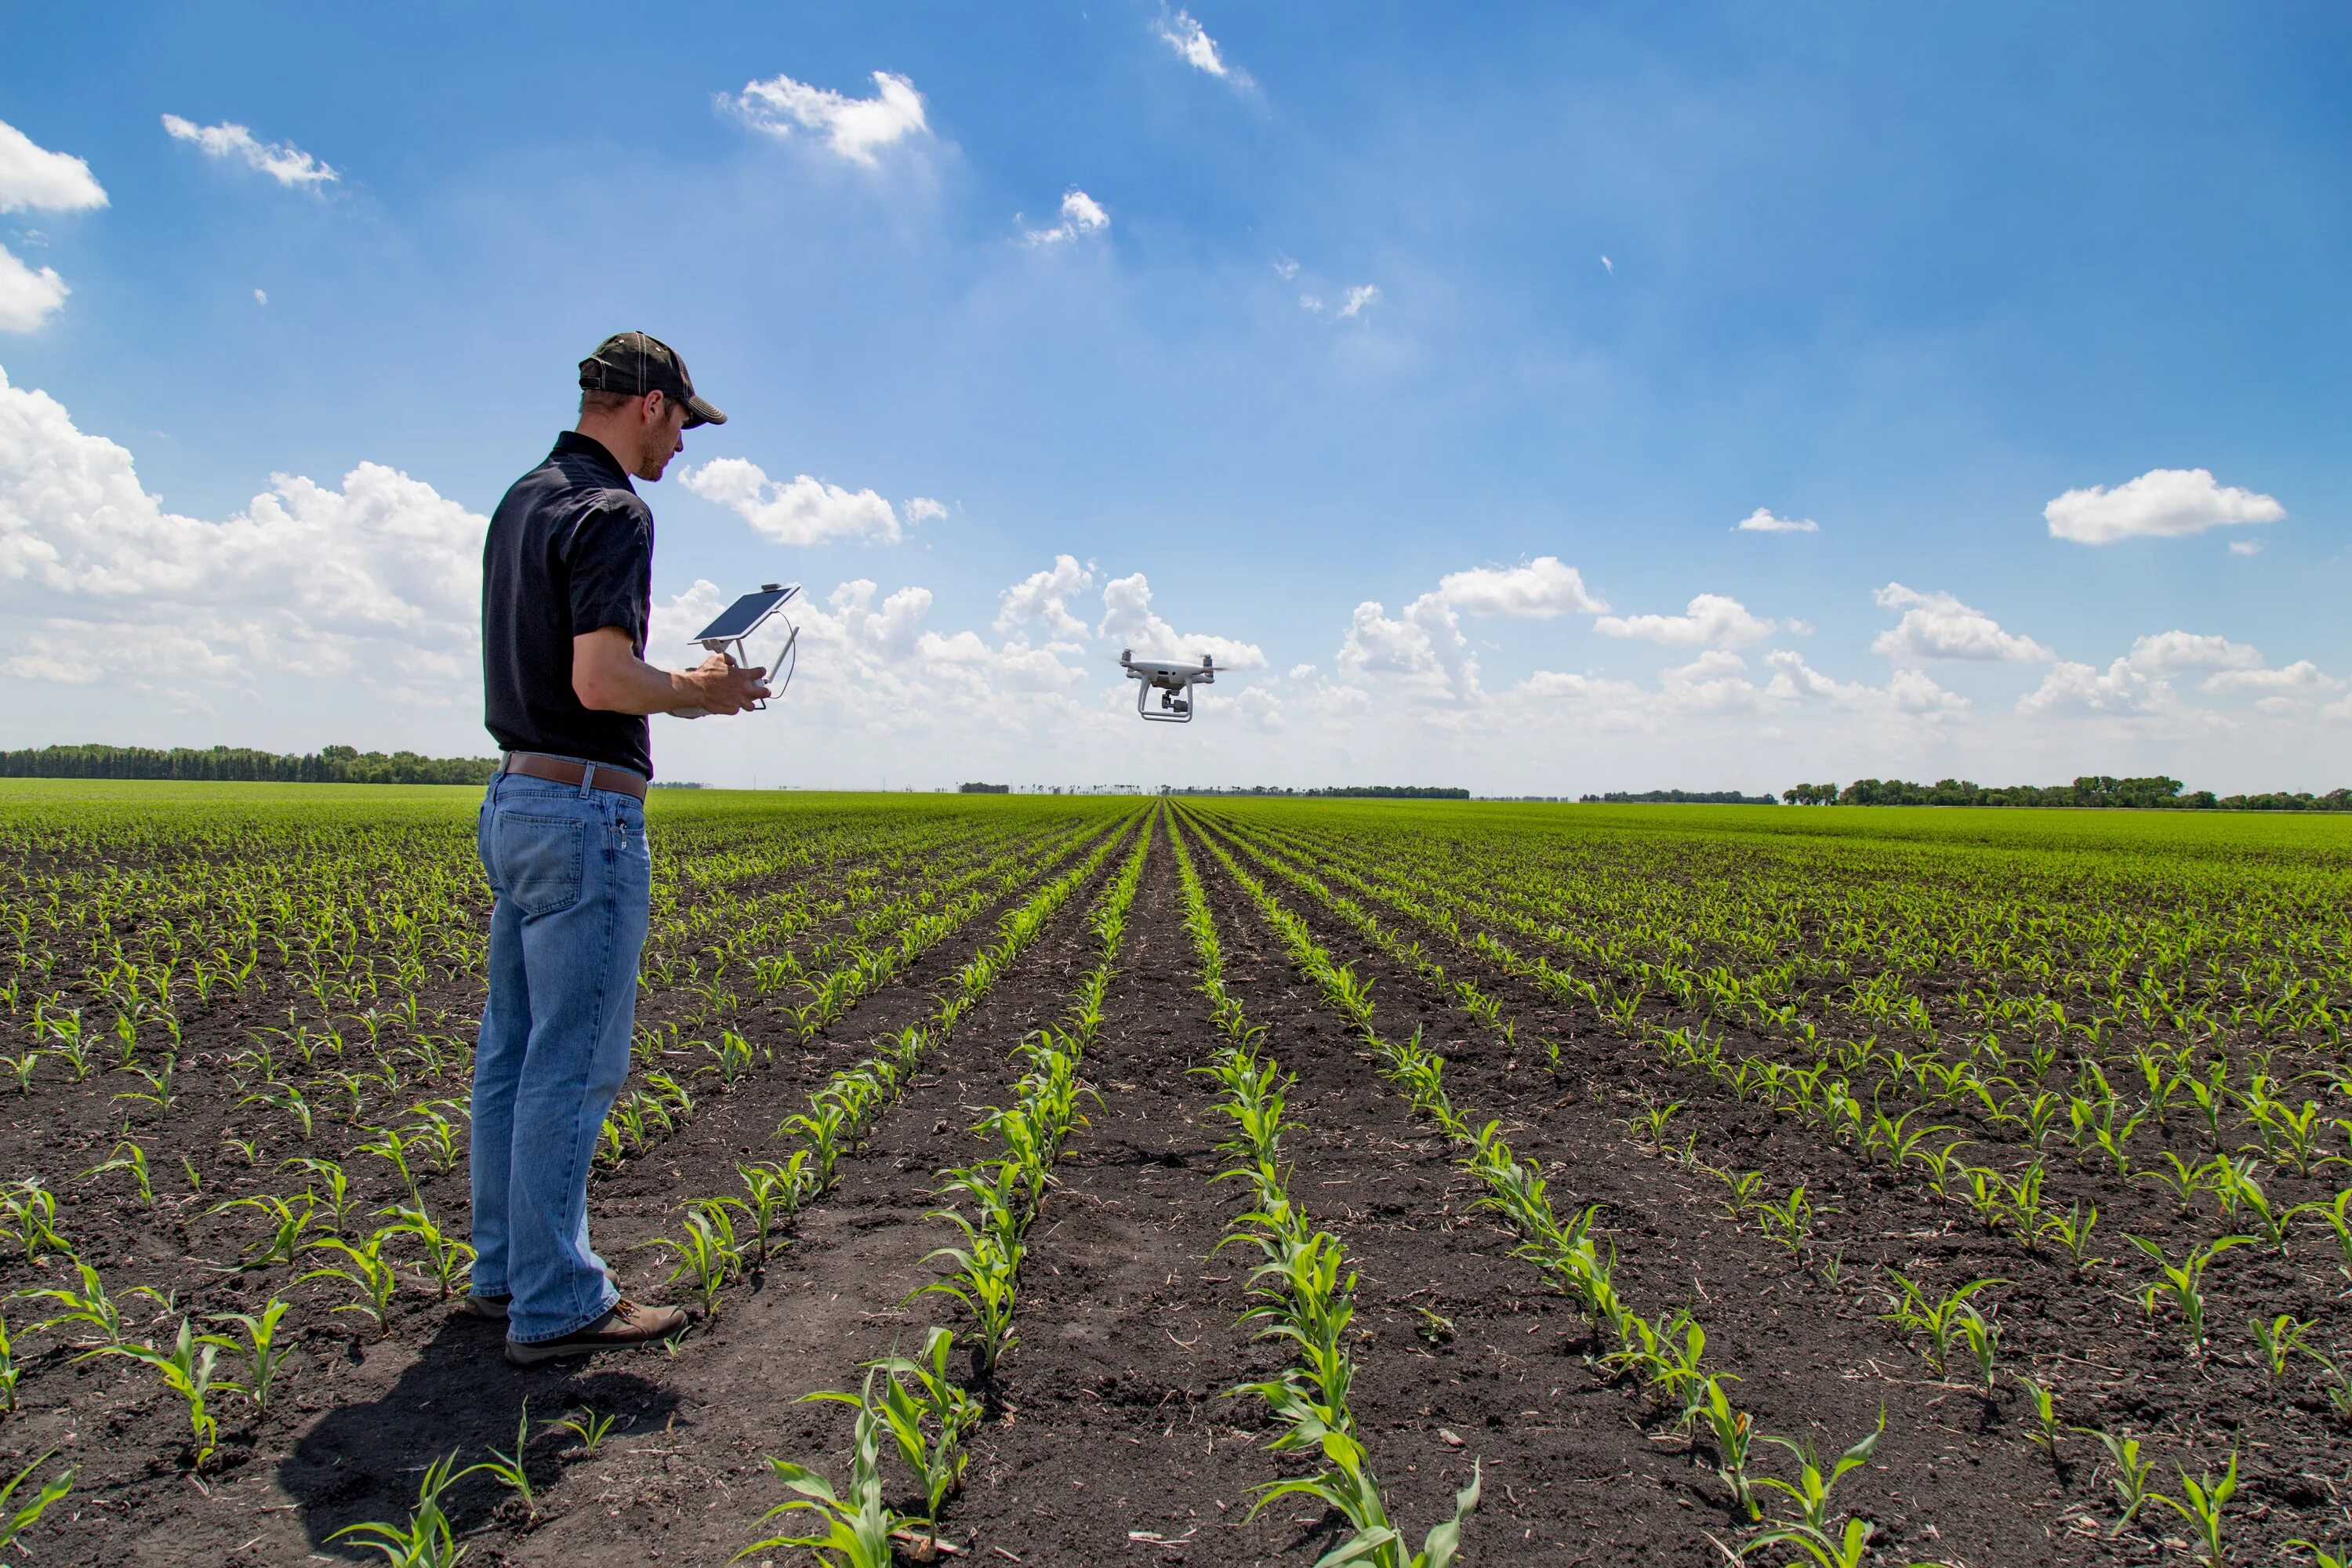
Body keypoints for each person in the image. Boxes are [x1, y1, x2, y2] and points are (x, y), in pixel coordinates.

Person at [467, 332, 769, 1367]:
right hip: (584, 809)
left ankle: (505, 1270)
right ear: (648, 404)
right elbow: (601, 681)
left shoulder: (524, 500)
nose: (684, 445)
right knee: (573, 1058)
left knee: (512, 1050)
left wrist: (674, 683)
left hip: (515, 797)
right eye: (684, 422)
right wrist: (703, 690)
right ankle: (557, 1298)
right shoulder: (614, 512)